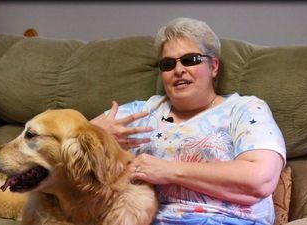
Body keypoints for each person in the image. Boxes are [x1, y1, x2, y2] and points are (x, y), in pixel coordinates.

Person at [90, 17, 286, 225]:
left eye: (190, 60)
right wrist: (96, 136)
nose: (178, 70)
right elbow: (62, 141)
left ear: (214, 66)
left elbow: (260, 179)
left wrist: (168, 171)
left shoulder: (244, 109)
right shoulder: (144, 111)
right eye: (167, 64)